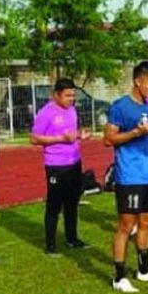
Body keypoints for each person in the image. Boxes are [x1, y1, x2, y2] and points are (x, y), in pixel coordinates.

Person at [104, 61, 148, 293]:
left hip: (147, 174)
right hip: (129, 175)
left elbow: (146, 139)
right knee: (126, 224)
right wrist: (135, 132)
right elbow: (109, 139)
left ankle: (144, 270)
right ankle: (119, 276)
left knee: (146, 221)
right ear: (138, 81)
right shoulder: (120, 107)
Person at [30, 78, 91, 257]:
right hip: (56, 165)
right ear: (56, 95)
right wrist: (60, 139)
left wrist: (80, 135)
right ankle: (50, 245)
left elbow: (71, 135)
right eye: (67, 95)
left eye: (73, 95)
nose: (71, 99)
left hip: (74, 161)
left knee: (72, 203)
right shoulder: (46, 113)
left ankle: (72, 238)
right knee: (54, 205)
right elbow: (34, 138)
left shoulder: (72, 110)